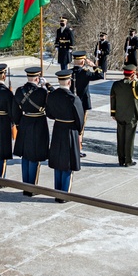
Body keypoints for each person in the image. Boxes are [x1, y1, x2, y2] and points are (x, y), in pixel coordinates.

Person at [45, 69, 84, 202]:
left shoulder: (52, 95)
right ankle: (64, 195)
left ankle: (57, 192)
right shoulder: (73, 98)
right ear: (69, 81)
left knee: (58, 162)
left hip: (58, 128)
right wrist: (79, 133)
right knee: (67, 164)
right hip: (70, 130)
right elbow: (80, 120)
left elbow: (49, 114)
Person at [13, 66, 51, 196]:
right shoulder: (42, 92)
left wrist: (19, 123)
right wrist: (46, 85)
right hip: (38, 123)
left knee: (25, 155)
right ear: (38, 77)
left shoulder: (19, 91)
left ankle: (25, 185)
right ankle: (32, 188)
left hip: (24, 122)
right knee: (34, 155)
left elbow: (15, 110)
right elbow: (55, 100)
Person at [110, 64, 138, 167]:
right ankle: (128, 161)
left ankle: (121, 160)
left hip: (119, 115)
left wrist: (113, 113)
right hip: (131, 116)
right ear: (133, 74)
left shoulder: (116, 84)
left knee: (120, 138)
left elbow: (112, 99)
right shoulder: (135, 85)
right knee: (129, 139)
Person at [71, 51, 105, 157]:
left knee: (71, 125)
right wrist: (94, 65)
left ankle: (71, 147)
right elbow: (100, 75)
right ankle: (78, 149)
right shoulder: (85, 73)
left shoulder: (68, 73)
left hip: (70, 103)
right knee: (80, 128)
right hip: (82, 103)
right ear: (83, 62)